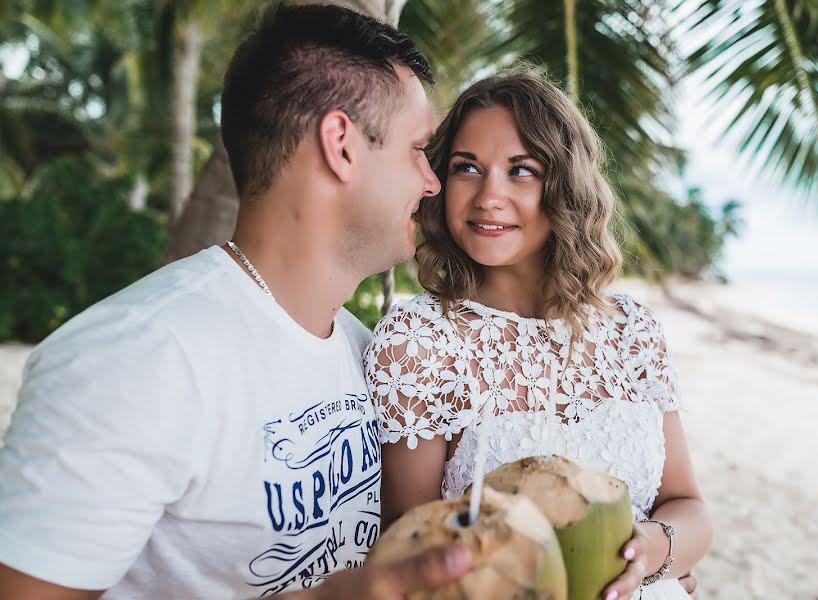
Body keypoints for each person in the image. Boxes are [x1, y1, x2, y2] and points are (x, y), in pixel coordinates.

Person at [0, 4, 474, 598]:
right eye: (417, 150)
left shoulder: (362, 348)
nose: (432, 183)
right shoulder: (139, 356)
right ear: (342, 145)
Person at [365, 71, 713, 600]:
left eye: (521, 171)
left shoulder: (634, 332)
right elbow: (410, 552)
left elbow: (689, 508)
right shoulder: (418, 343)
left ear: (564, 185)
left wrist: (650, 555)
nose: (488, 196)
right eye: (467, 168)